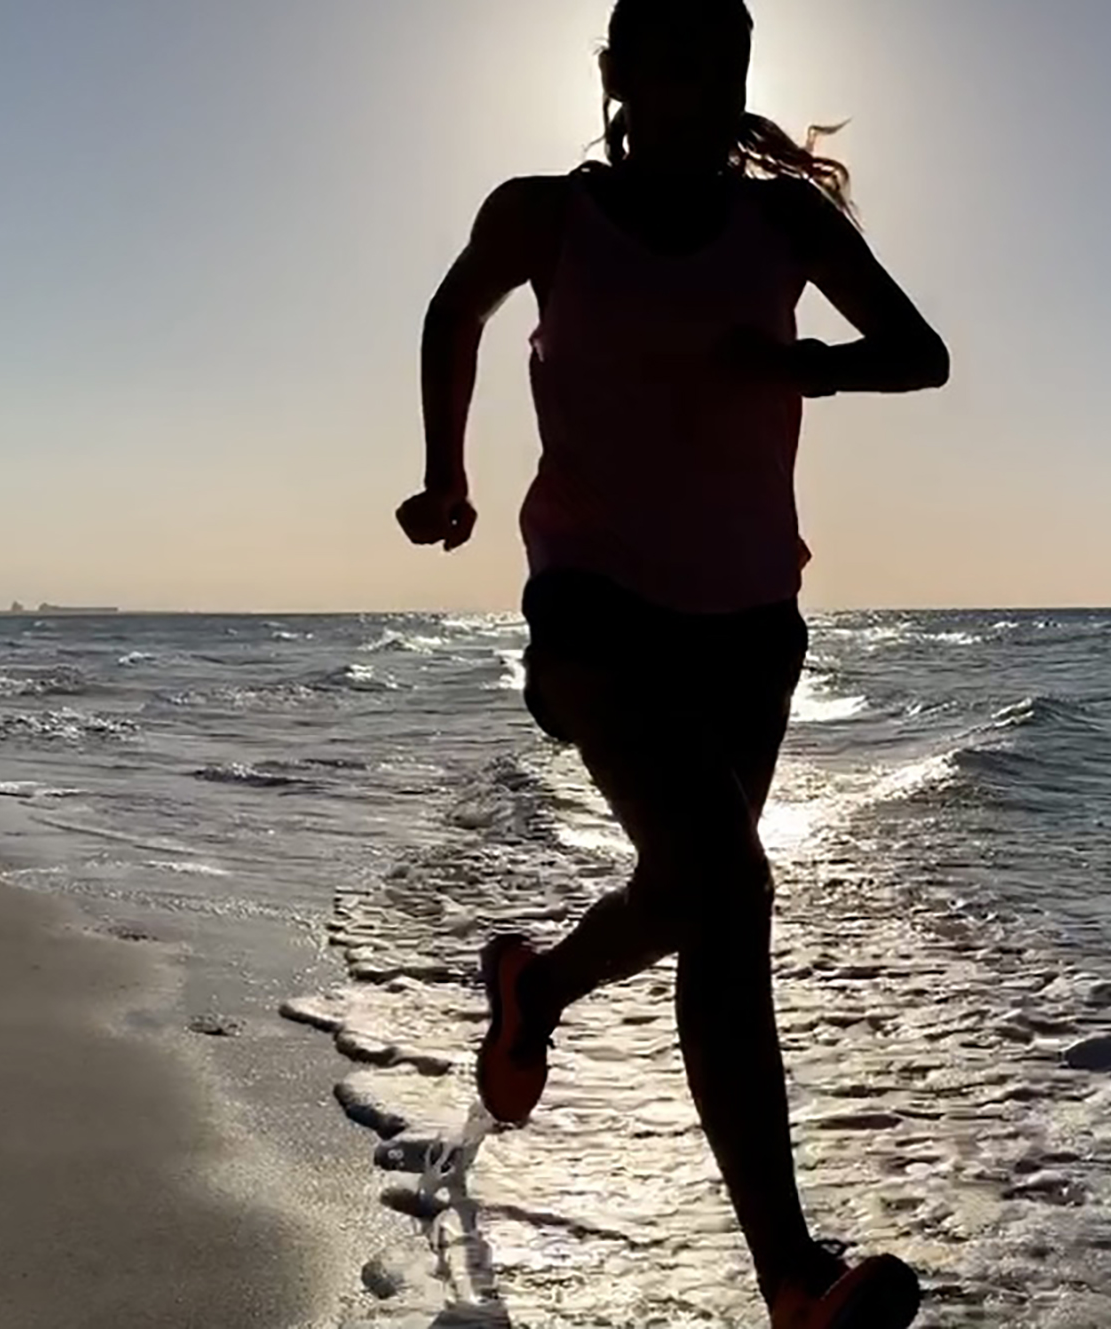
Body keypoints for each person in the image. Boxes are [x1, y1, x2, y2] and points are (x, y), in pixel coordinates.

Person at [394, 2, 949, 1325]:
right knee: (728, 888)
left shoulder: (786, 226)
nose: (704, 85)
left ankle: (536, 986)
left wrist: (802, 365)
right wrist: (443, 474)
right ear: (619, 77)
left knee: (690, 889)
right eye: (676, 58)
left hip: (751, 611)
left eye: (726, 62)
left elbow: (919, 355)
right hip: (591, 599)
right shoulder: (544, 213)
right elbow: (451, 312)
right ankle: (792, 1278)